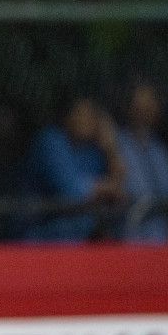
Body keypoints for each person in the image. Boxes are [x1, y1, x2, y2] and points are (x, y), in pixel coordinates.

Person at [17, 95, 125, 242]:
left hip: (76, 241)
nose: (88, 120)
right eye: (82, 113)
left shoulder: (91, 150)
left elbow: (120, 191)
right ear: (67, 116)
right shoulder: (49, 139)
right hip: (35, 239)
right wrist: (106, 189)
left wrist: (110, 148)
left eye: (92, 115)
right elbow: (71, 192)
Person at [114, 82, 168, 243]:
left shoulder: (160, 150)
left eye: (149, 105)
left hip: (162, 242)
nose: (144, 111)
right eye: (139, 106)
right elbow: (134, 193)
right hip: (128, 242)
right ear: (128, 107)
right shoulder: (117, 144)